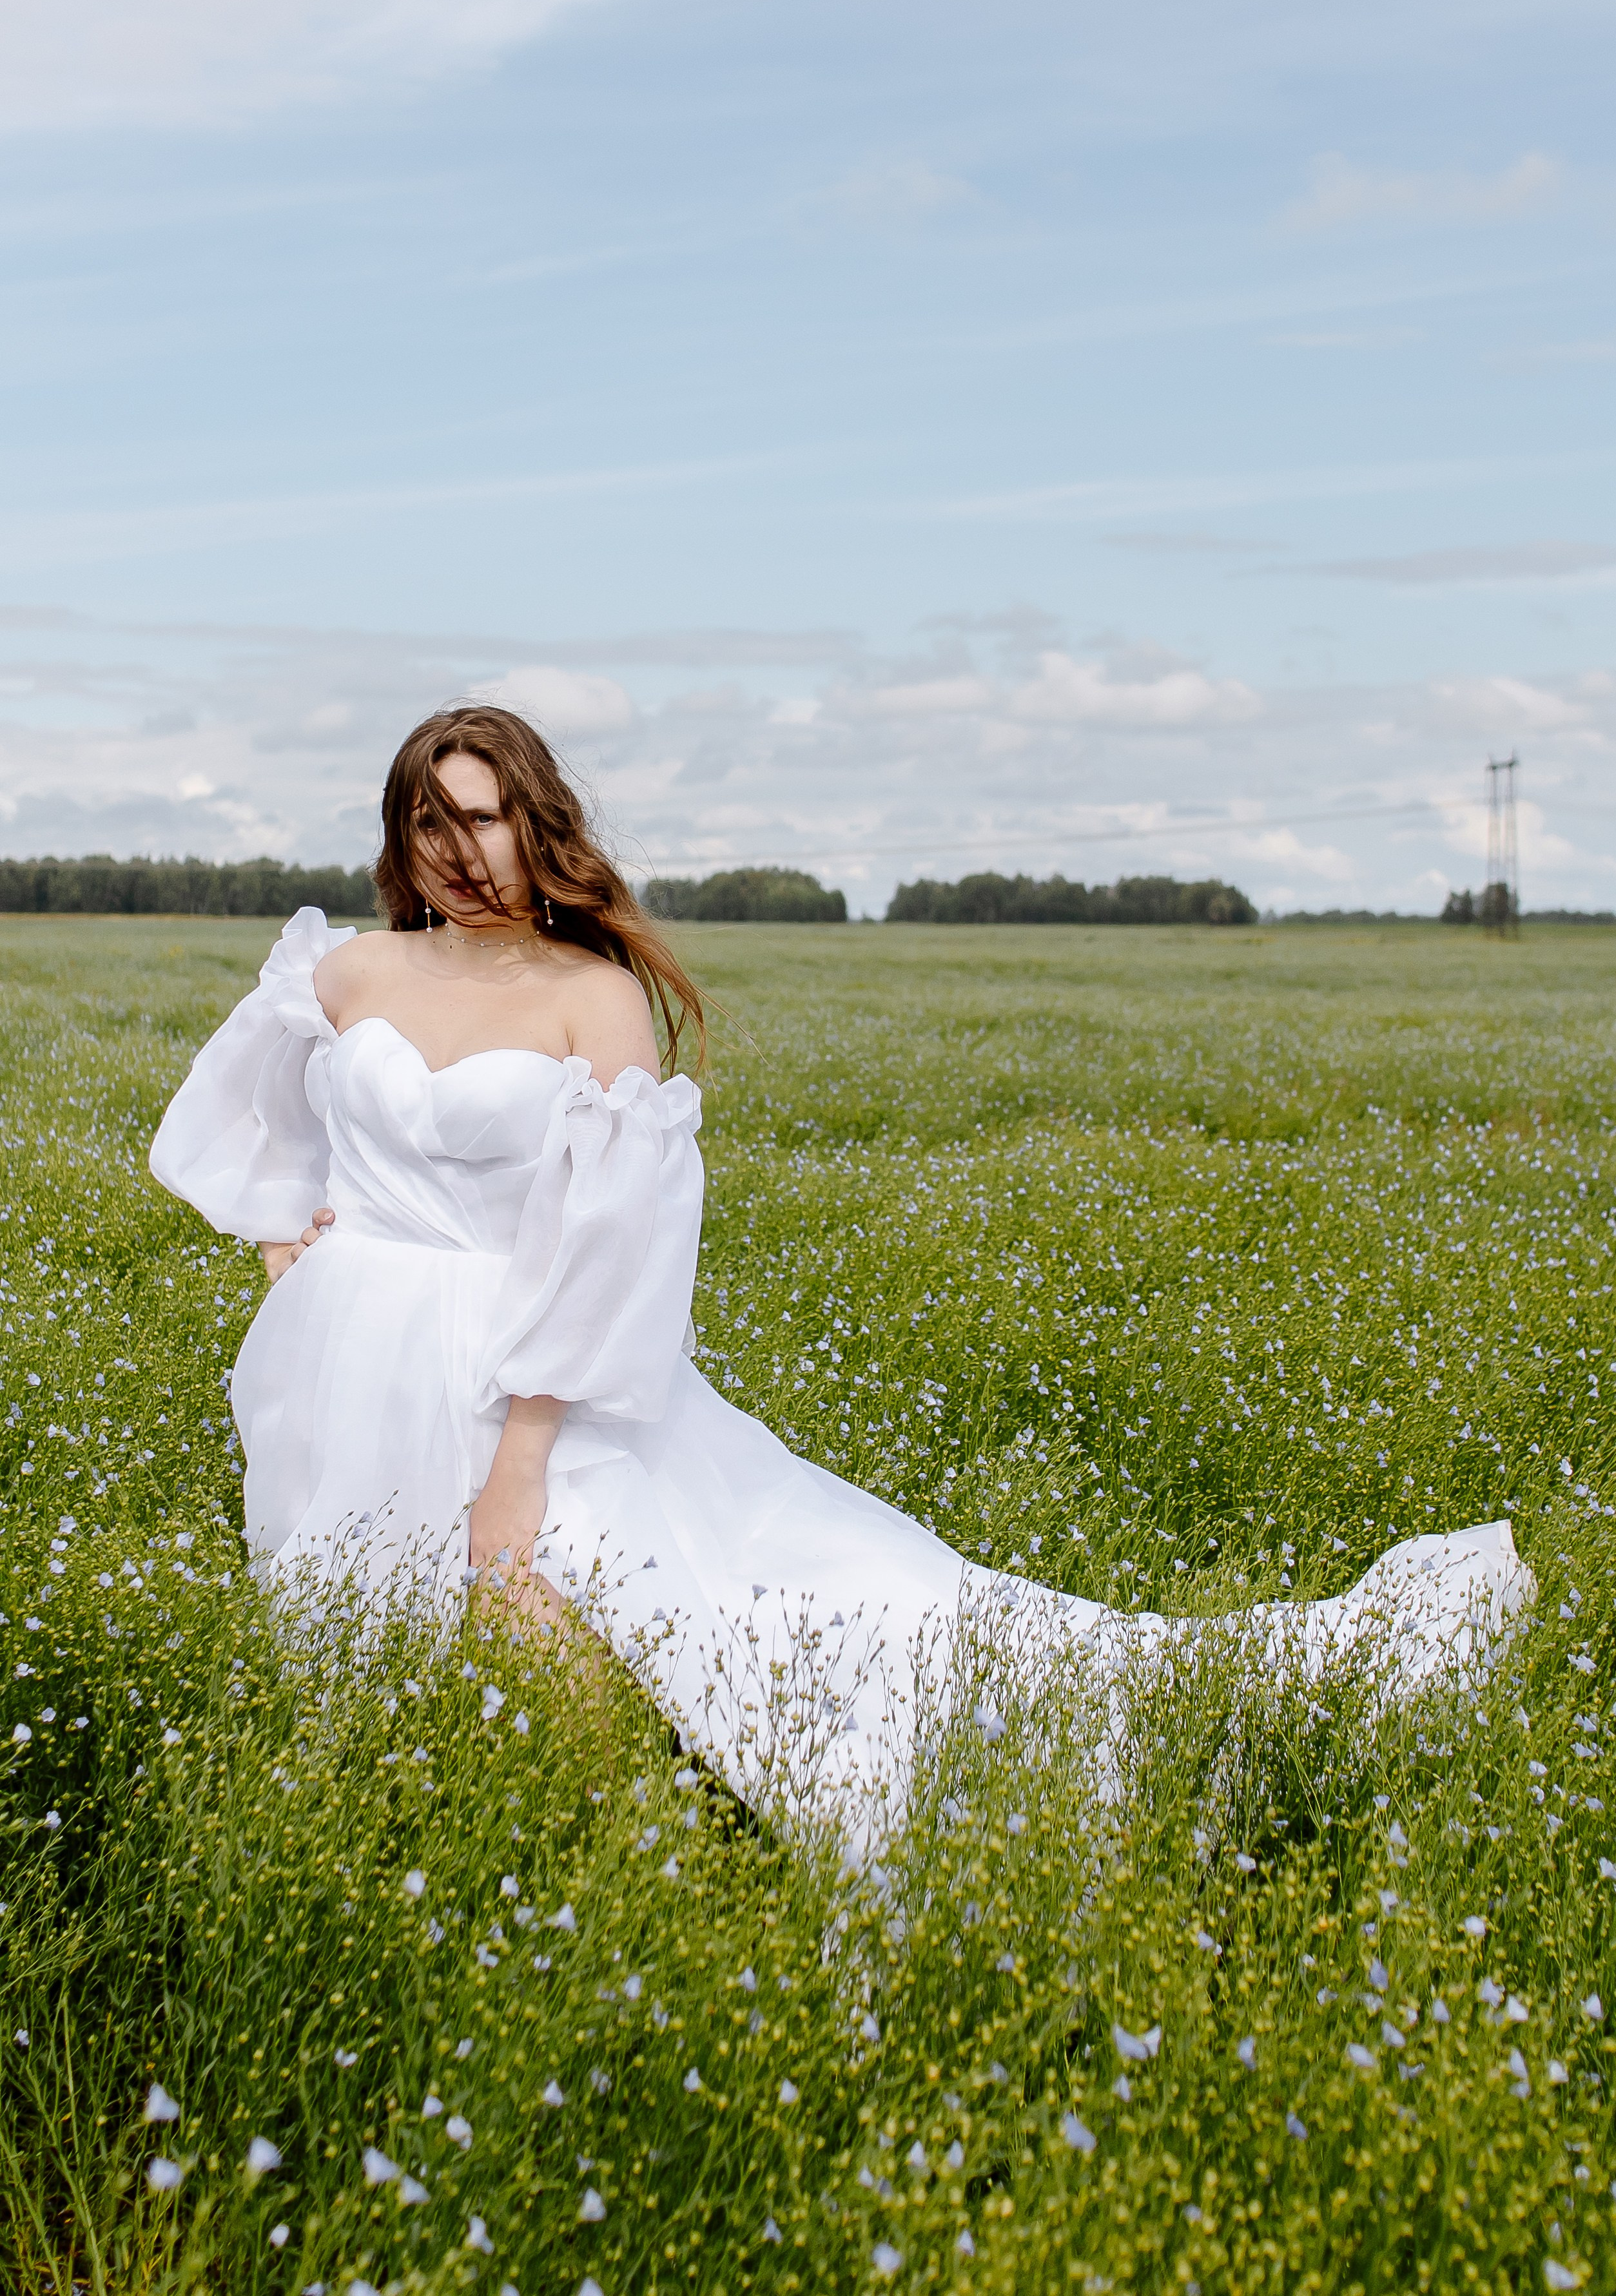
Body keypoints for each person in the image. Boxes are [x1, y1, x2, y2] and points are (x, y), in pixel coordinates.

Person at [150, 704, 1535, 1861]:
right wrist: (291, 1243)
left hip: (520, 1375)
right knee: (365, 1623)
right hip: (347, 1362)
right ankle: (433, 1830)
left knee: (644, 1602)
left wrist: (520, 1462)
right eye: (429, 824)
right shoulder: (346, 970)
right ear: (397, 838)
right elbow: (255, 1111)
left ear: (537, 821)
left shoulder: (591, 995)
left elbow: (611, 1248)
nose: (460, 854)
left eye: (485, 818)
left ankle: (641, 1864)